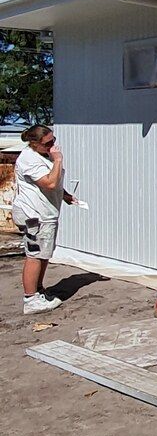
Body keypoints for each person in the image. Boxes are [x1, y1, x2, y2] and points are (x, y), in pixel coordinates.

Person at [13, 124, 78, 315]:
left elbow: (54, 182)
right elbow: (49, 182)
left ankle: (39, 290)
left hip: (45, 213)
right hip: (34, 214)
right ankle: (30, 298)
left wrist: (64, 195)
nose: (53, 146)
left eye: (54, 140)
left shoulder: (42, 155)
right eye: (48, 143)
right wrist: (58, 160)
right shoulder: (29, 159)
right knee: (34, 255)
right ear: (35, 144)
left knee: (44, 253)